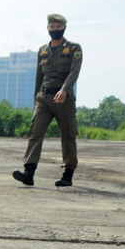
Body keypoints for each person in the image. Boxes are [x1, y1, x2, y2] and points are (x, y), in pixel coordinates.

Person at [13, 14, 83, 187]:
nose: (55, 30)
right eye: (52, 27)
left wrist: (64, 90)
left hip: (64, 99)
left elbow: (74, 72)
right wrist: (35, 101)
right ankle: (29, 173)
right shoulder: (42, 50)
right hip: (43, 98)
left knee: (68, 135)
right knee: (35, 133)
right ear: (47, 29)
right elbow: (39, 77)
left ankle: (68, 174)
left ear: (64, 27)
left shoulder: (74, 48)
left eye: (58, 26)